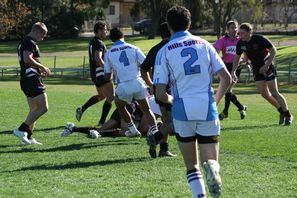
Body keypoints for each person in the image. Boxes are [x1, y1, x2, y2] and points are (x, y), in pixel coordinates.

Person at [154, 6, 231, 197]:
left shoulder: (164, 52)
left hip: (182, 111)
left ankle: (200, 195)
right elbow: (227, 78)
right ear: (189, 23)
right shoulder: (205, 44)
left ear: (169, 26)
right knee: (210, 159)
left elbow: (160, 94)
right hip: (207, 107)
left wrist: (173, 100)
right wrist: (216, 99)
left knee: (192, 165)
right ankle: (213, 167)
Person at [104, 28, 164, 158]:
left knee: (120, 106)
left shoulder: (108, 53)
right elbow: (146, 64)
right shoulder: (134, 48)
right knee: (146, 109)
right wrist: (150, 81)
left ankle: (132, 129)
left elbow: (107, 75)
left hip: (123, 85)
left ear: (111, 39)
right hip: (138, 83)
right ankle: (154, 131)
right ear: (122, 35)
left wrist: (111, 75)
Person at [232, 23, 293, 126]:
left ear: (249, 32)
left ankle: (288, 115)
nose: (240, 35)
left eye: (242, 33)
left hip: (267, 67)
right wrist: (233, 71)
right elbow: (236, 58)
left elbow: (273, 50)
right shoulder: (240, 44)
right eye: (239, 33)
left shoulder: (259, 39)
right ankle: (281, 111)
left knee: (274, 92)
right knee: (264, 94)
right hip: (257, 70)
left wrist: (267, 65)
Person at [140, 22, 176, 157]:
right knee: (173, 123)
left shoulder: (155, 49)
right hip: (171, 89)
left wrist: (151, 85)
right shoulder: (172, 48)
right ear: (172, 31)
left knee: (167, 121)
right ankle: (155, 138)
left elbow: (143, 69)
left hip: (158, 88)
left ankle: (163, 149)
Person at [14, 22, 51, 145]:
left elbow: (31, 59)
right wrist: (42, 66)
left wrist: (39, 67)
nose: (42, 38)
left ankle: (28, 137)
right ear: (37, 32)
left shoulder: (25, 42)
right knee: (44, 107)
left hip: (27, 79)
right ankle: (21, 129)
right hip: (31, 79)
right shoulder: (29, 42)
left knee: (34, 109)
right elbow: (27, 59)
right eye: (42, 35)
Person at [61, 96, 162, 139]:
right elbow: (143, 128)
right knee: (126, 132)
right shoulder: (158, 105)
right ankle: (98, 134)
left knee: (102, 128)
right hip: (128, 111)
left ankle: (73, 128)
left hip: (123, 108)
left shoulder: (156, 98)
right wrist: (156, 127)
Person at [76, 21, 114, 126]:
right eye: (105, 30)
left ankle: (81, 109)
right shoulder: (99, 43)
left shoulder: (93, 41)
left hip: (95, 74)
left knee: (102, 96)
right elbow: (98, 58)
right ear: (99, 30)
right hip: (101, 73)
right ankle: (102, 122)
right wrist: (107, 69)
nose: (106, 32)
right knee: (111, 97)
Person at [214, 21, 247, 120]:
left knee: (227, 89)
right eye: (232, 27)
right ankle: (241, 107)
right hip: (226, 67)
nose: (235, 29)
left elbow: (246, 56)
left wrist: (244, 61)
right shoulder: (223, 40)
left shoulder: (241, 40)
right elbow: (216, 53)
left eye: (236, 27)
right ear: (228, 29)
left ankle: (225, 112)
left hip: (236, 67)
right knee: (228, 90)